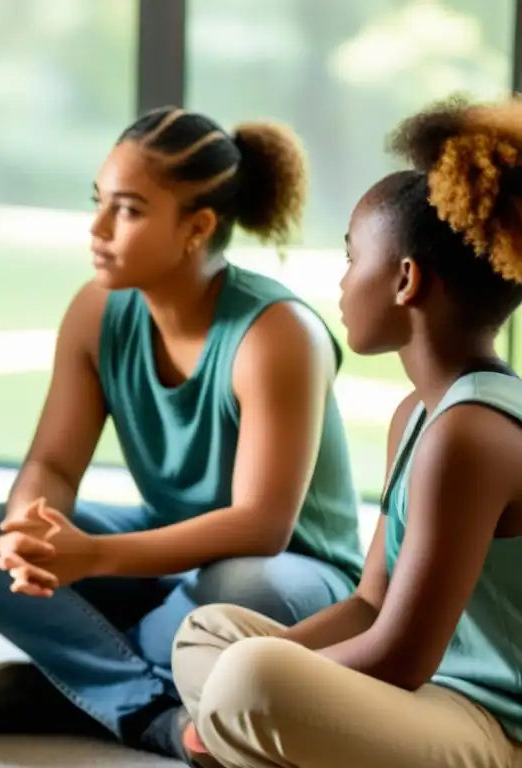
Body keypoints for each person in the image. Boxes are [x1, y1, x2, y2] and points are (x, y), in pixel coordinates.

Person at [0, 106, 364, 758]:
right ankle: (154, 707)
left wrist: (94, 559)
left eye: (127, 211)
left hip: (288, 577)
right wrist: (32, 532)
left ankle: (88, 685)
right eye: (98, 202)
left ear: (197, 227)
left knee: (235, 593)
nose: (97, 229)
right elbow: (52, 462)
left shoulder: (277, 334)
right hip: (164, 555)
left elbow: (261, 526)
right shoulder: (96, 310)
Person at [171, 97, 522, 768]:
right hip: (423, 693)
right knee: (209, 635)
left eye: (351, 255)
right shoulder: (419, 416)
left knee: (250, 682)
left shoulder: (471, 433)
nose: (339, 278)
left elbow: (399, 655)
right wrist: (251, 677)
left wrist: (243, 692)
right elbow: (370, 603)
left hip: (491, 727)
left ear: (405, 281)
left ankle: (243, 730)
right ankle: (249, 729)